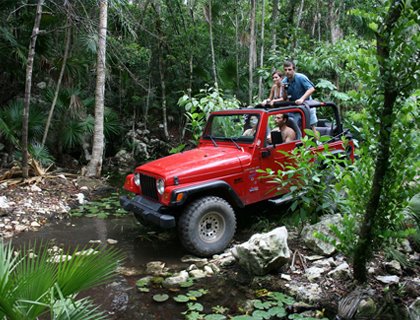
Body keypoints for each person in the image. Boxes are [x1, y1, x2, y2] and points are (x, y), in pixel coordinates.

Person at [281, 61, 318, 132]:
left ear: (293, 69)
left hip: (307, 105)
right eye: (285, 70)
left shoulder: (301, 77)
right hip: (295, 107)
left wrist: (302, 99)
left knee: (312, 128)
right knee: (294, 127)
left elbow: (311, 89)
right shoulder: (284, 81)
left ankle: (317, 142)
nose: (287, 72)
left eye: (289, 69)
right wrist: (284, 90)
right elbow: (285, 98)